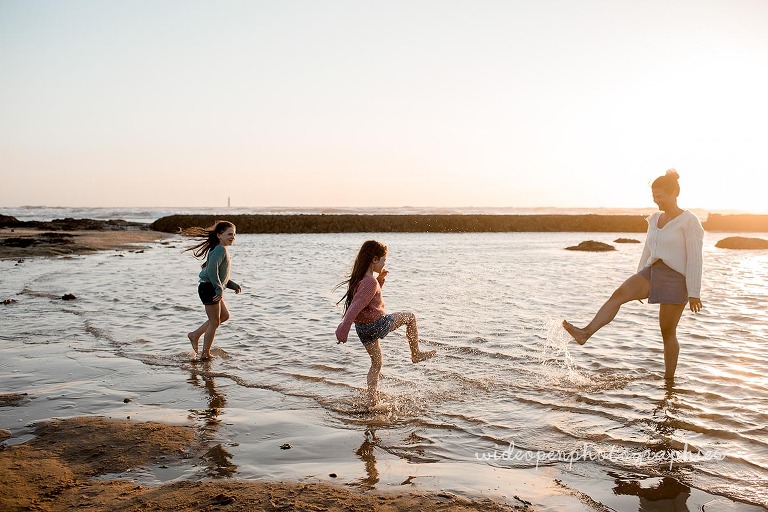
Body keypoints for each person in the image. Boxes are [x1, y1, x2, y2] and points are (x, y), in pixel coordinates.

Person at [562, 170, 704, 380]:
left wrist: (694, 292)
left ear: (674, 192)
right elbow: (647, 250)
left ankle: (669, 380)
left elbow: (695, 258)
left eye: (660, 196)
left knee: (667, 332)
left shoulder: (689, 221)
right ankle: (585, 333)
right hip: (652, 271)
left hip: (676, 278)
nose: (656, 200)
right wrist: (639, 277)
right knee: (619, 294)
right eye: (654, 196)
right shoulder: (654, 219)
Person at [335, 240, 436, 406]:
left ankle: (371, 401)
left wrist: (380, 280)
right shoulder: (370, 282)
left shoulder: (361, 279)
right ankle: (416, 353)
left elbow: (367, 300)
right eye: (383, 261)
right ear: (375, 259)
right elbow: (354, 307)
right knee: (410, 317)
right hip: (377, 324)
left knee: (376, 363)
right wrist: (342, 330)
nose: (383, 264)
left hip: (363, 329)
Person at [184, 220, 242, 360]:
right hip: (209, 288)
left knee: (224, 316)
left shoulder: (221, 249)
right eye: (229, 234)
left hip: (210, 286)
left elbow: (220, 275)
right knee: (215, 322)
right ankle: (205, 354)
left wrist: (231, 284)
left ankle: (195, 334)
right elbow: (211, 271)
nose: (232, 237)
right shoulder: (220, 250)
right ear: (219, 235)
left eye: (234, 234)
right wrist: (218, 289)